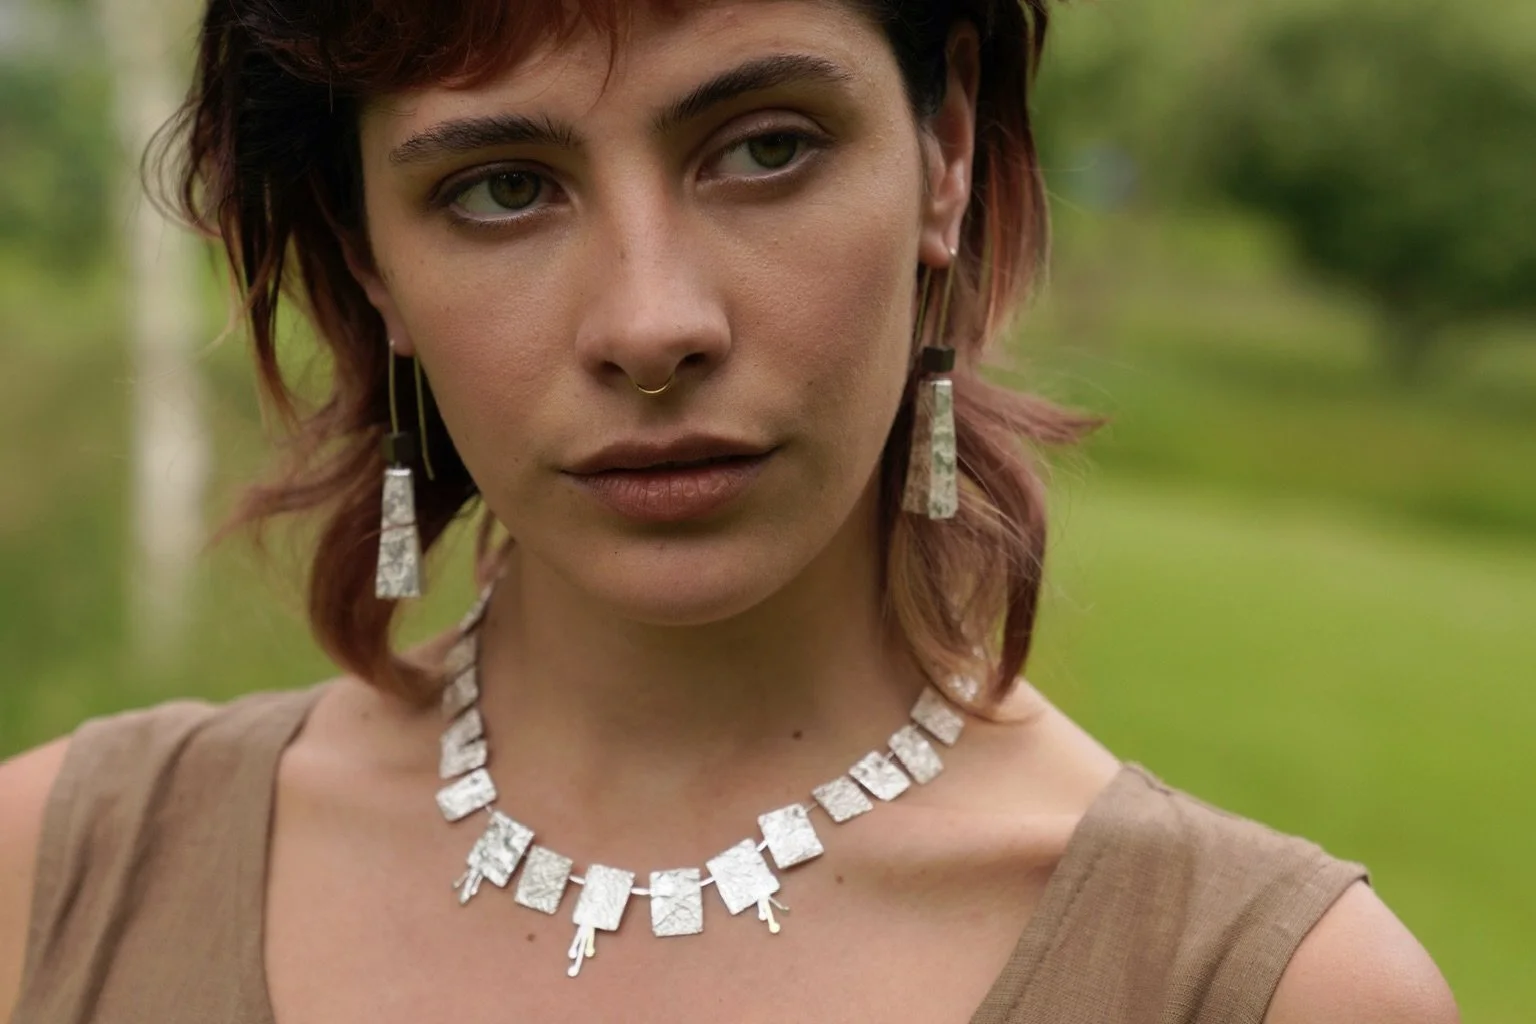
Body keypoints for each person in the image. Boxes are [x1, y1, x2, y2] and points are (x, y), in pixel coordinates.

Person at [0, 1, 1459, 1021]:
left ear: (944, 151)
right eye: (503, 187)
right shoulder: (52, 880)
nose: (651, 322)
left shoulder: (1266, 990)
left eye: (765, 147)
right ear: (363, 255)